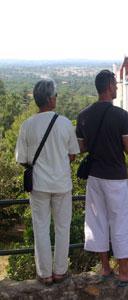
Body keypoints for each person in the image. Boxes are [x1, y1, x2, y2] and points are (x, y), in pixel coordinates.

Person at [76, 70, 128, 287]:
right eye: (115, 85)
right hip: (115, 177)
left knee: (97, 221)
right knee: (121, 220)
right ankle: (124, 270)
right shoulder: (121, 115)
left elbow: (81, 147)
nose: (117, 88)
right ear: (108, 87)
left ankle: (105, 268)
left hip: (94, 176)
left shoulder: (83, 115)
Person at [15, 79, 80, 285]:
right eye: (56, 96)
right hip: (61, 184)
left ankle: (44, 274)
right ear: (51, 99)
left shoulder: (27, 125)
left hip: (39, 186)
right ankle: (60, 271)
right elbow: (72, 154)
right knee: (63, 227)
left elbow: (22, 159)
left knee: (41, 228)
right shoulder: (65, 123)